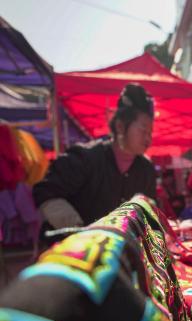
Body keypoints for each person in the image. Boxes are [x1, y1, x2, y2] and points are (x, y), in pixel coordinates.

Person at [33, 83, 156, 229]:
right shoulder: (84, 159)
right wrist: (77, 229)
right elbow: (45, 192)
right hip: (76, 248)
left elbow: (148, 211)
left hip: (119, 249)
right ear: (120, 126)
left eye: (150, 132)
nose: (148, 139)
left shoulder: (145, 169)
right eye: (143, 131)